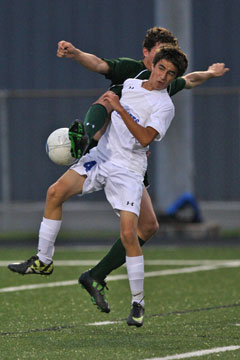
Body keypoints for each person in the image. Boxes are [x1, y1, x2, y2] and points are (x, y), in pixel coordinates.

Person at [8, 45, 189, 328]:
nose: (164, 76)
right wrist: (94, 134)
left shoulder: (165, 106)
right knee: (55, 192)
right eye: (161, 68)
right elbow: (109, 114)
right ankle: (43, 260)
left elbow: (143, 139)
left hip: (128, 170)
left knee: (130, 233)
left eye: (171, 74)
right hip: (102, 157)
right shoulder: (130, 84)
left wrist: (118, 108)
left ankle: (138, 303)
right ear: (153, 64)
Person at [56, 28, 229, 314]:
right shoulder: (131, 72)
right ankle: (106, 282)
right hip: (113, 158)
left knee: (148, 227)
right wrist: (75, 53)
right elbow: (99, 65)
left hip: (133, 161)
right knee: (133, 226)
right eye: (158, 54)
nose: (163, 67)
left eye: (167, 60)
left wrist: (210, 73)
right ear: (146, 52)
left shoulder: (164, 80)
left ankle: (96, 275)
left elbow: (190, 80)